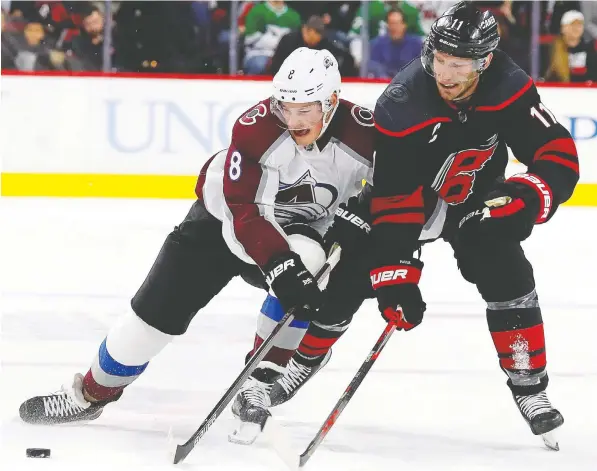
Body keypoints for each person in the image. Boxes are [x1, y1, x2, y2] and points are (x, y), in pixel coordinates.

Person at [18, 49, 376, 441]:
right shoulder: (256, 128)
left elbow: (396, 191)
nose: (292, 120)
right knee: (148, 323)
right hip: (219, 224)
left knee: (309, 259)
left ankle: (260, 381)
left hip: (294, 234)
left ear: (332, 102)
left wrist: (365, 216)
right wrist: (278, 265)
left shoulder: (364, 136)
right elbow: (244, 209)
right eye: (285, 106)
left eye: (305, 109)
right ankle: (90, 392)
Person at [270, 2, 579, 448]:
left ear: (486, 60)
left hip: (474, 195)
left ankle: (530, 387)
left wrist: (527, 197)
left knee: (504, 265)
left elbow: (557, 152)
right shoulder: (401, 102)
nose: (446, 75)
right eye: (439, 61)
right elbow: (395, 198)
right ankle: (306, 356)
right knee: (353, 269)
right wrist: (395, 276)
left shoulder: (510, 85)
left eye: (459, 64)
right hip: (411, 195)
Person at [368, 7, 423, 78]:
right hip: (384, 85)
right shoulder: (377, 45)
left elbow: (420, 70)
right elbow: (374, 68)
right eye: (391, 23)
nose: (394, 27)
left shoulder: (416, 45)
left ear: (404, 25)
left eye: (397, 23)